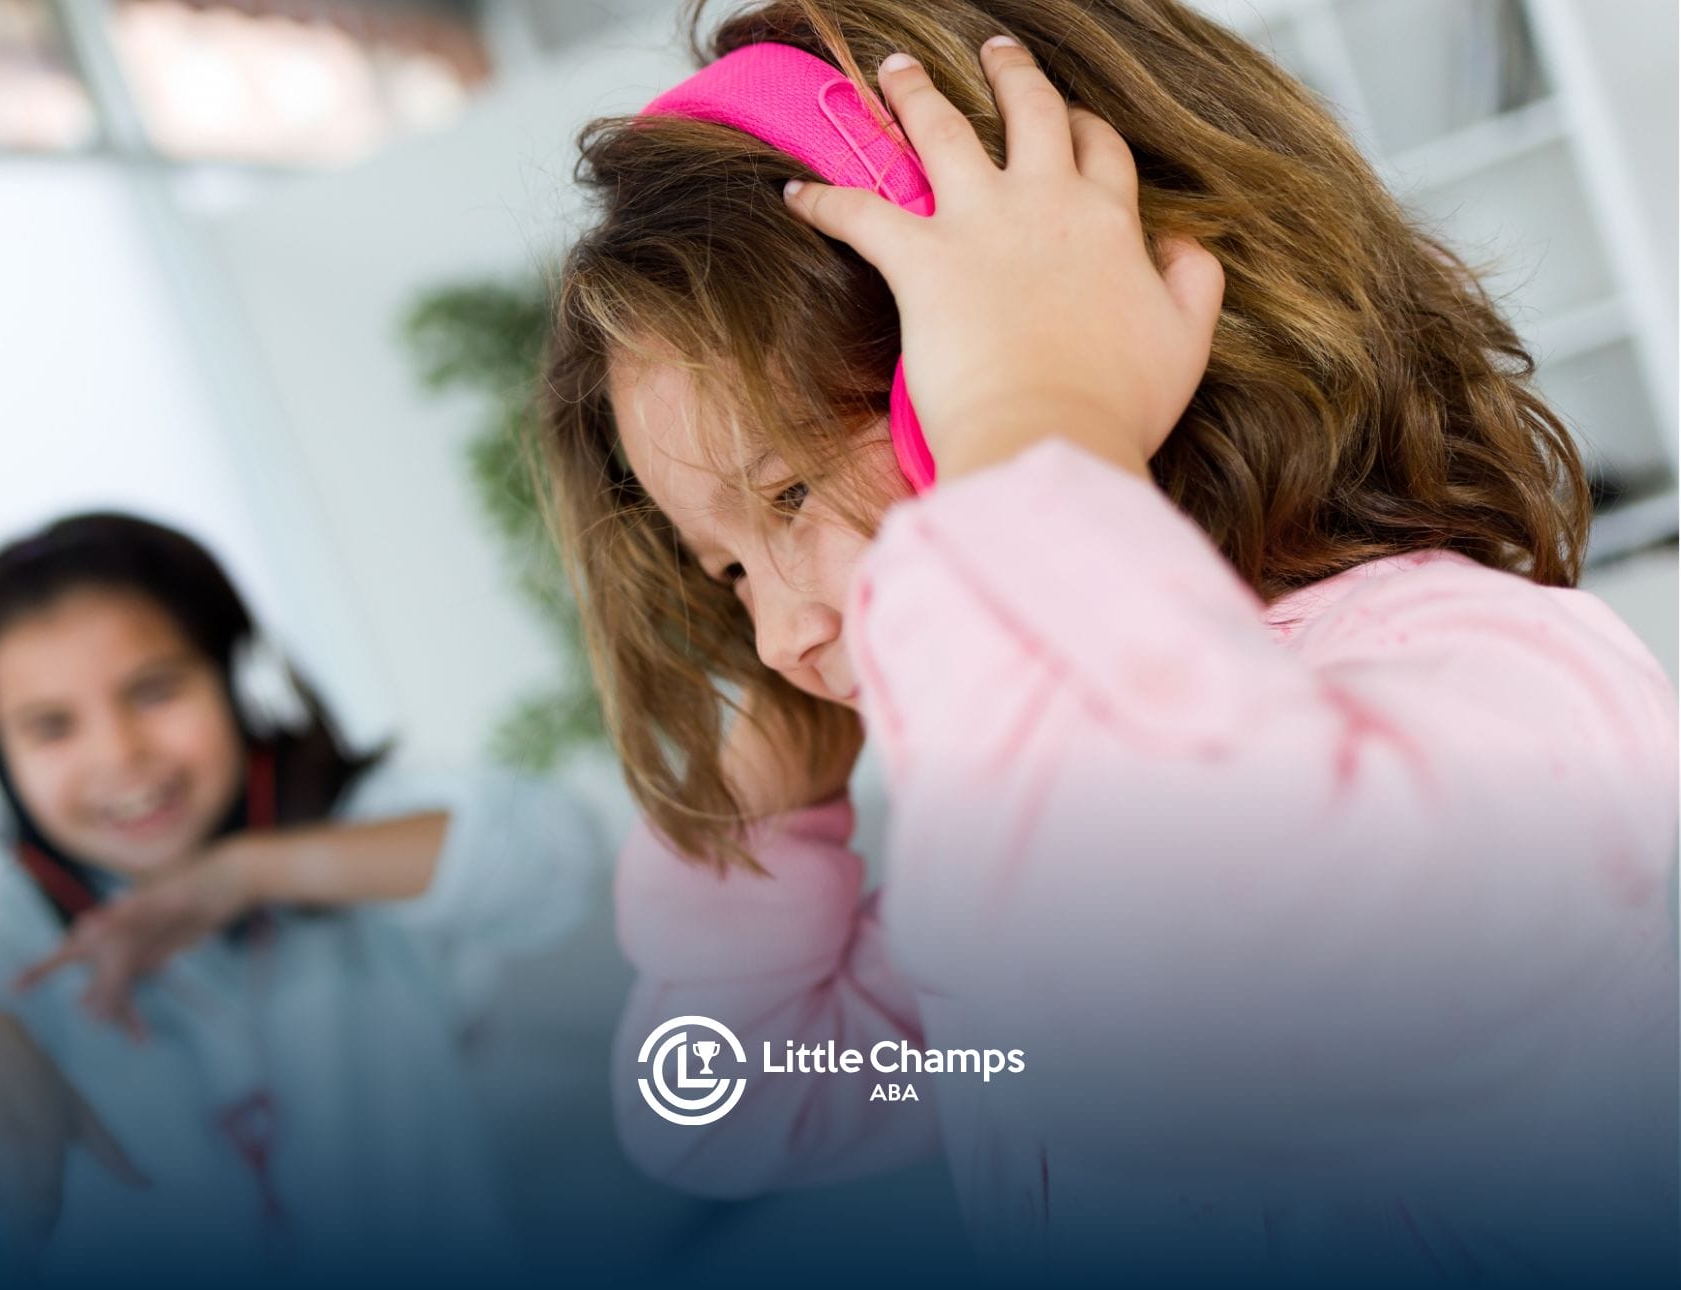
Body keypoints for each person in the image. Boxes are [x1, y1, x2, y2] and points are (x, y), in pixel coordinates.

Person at [541, 0, 1678, 1283]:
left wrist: (1029, 425)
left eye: (790, 493)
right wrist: (760, 826)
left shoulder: (1508, 682)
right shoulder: (1000, 844)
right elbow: (718, 1104)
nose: (773, 634)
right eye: (728, 570)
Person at [0, 512, 599, 1285]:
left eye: (156, 690)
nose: (119, 754)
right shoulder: (11, 923)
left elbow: (556, 853)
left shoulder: (349, 828)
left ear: (239, 680)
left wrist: (247, 873)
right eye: (50, 727)